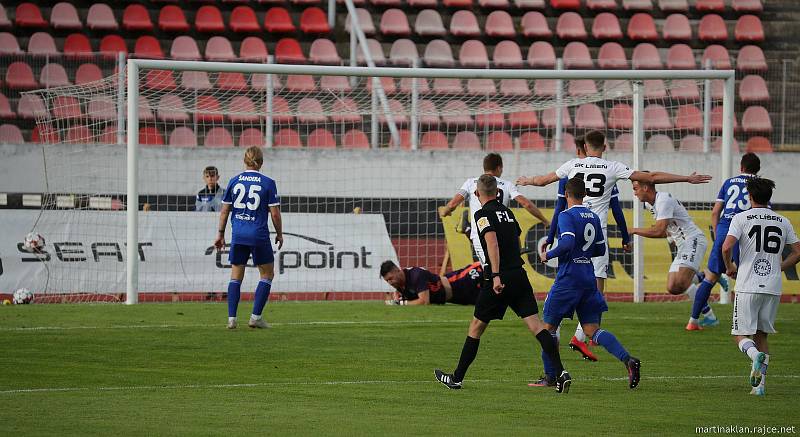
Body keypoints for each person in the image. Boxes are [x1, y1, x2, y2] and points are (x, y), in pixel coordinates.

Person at [517, 130, 711, 353]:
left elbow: (543, 181)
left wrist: (528, 181)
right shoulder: (613, 167)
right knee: (596, 288)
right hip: (595, 234)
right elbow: (652, 177)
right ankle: (585, 334)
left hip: (571, 230)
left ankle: (559, 330)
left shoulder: (572, 165)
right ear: (605, 147)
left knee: (565, 280)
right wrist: (687, 178)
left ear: (585, 147)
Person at [434, 175, 571, 393]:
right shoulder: (507, 212)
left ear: (477, 194)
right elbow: (515, 239)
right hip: (518, 274)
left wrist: (496, 275)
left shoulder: (481, 214)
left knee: (476, 328)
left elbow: (492, 243)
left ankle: (456, 378)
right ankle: (561, 373)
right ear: (498, 193)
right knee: (537, 327)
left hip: (499, 277)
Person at [539, 178, 641, 389]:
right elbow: (601, 250)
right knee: (592, 330)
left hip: (568, 279)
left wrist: (548, 254)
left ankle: (550, 377)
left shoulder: (565, 215)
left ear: (566, 195)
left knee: (547, 329)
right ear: (584, 195)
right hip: (588, 277)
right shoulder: (593, 217)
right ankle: (628, 360)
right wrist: (582, 253)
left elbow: (566, 242)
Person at [542, 136, 631, 361]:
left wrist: (551, 242)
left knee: (551, 320)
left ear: (581, 148)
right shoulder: (607, 174)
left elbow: (559, 209)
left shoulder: (569, 173)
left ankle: (554, 371)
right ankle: (584, 339)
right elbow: (616, 208)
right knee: (596, 295)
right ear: (603, 146)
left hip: (569, 264)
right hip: (591, 252)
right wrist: (624, 235)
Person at [723, 177, 800, 396]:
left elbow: (726, 247)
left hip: (747, 284)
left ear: (750, 196)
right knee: (762, 336)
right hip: (773, 287)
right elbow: (798, 251)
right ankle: (759, 387)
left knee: (741, 335)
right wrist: (780, 267)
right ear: (769, 197)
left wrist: (730, 267)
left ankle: (753, 355)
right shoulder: (782, 221)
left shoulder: (741, 218)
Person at [214, 146, 283, 329]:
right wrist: (279, 233)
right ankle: (255, 317)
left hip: (238, 233)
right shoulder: (268, 183)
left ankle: (231, 320)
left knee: (236, 276)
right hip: (258, 234)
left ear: (244, 160)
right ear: (261, 162)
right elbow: (275, 214)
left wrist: (220, 233)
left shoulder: (234, 181)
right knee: (267, 274)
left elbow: (224, 211)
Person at [691, 153, 762, 330]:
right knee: (748, 278)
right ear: (758, 169)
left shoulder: (729, 182)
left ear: (741, 167)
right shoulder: (761, 185)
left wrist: (718, 234)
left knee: (711, 277)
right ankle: (748, 322)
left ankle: (692, 321)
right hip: (747, 232)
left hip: (725, 230)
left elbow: (715, 212)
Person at [440, 153, 549, 265]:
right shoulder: (507, 185)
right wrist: (544, 220)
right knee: (503, 270)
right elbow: (526, 204)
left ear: (484, 167)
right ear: (499, 168)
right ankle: (467, 228)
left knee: (492, 271)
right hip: (503, 234)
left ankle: (467, 228)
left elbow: (453, 204)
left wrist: (445, 211)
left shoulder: (471, 183)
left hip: (482, 234)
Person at [630, 176, 708, 318]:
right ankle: (705, 276)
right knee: (673, 287)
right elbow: (663, 231)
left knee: (683, 282)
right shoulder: (650, 205)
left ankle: (708, 315)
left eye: (635, 189)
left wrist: (633, 230)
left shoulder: (663, 200)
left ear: (645, 188)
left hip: (693, 240)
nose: (634, 193)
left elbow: (659, 230)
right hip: (682, 245)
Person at [380, 260, 482, 306]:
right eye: (387, 281)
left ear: (397, 270)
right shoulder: (401, 285)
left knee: (486, 267)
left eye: (391, 278)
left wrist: (400, 303)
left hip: (460, 281)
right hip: (457, 298)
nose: (390, 282)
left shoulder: (416, 275)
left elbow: (424, 301)